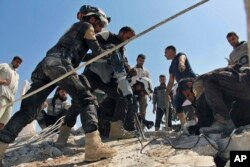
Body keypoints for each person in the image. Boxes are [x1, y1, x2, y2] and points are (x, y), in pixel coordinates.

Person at [0, 5, 117, 165]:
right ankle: (93, 147)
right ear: (92, 18)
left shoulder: (74, 33)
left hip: (45, 65)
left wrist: (100, 51)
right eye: (100, 24)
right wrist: (108, 51)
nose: (100, 28)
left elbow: (80, 54)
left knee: (28, 111)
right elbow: (96, 50)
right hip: (60, 63)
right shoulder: (86, 26)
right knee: (86, 98)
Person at [56, 26, 137, 143]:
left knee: (123, 97)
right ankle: (64, 133)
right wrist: (106, 48)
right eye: (127, 37)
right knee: (79, 102)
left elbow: (122, 65)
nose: (128, 40)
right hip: (92, 74)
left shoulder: (122, 51)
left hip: (107, 80)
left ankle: (116, 130)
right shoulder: (108, 35)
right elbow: (92, 42)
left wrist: (129, 69)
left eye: (131, 39)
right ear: (121, 32)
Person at [177, 65, 250, 135]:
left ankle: (225, 122)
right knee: (236, 121)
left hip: (245, 80)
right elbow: (206, 118)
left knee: (209, 79)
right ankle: (227, 122)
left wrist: (194, 128)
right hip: (244, 97)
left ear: (190, 84)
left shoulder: (198, 83)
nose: (190, 100)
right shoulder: (212, 93)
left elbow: (204, 113)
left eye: (188, 95)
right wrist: (194, 128)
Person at [164, 45, 196, 130]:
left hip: (190, 80)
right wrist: (166, 94)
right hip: (181, 84)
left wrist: (181, 63)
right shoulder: (171, 67)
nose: (164, 55)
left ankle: (194, 121)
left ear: (171, 51)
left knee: (192, 101)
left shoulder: (180, 55)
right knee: (177, 102)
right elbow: (171, 82)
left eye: (165, 52)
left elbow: (183, 58)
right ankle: (184, 125)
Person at [0, 56, 22, 130]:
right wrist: (2, 81)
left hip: (11, 99)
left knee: (4, 120)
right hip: (2, 94)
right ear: (13, 60)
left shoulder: (17, 74)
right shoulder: (5, 66)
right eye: (17, 62)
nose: (18, 64)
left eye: (19, 63)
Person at [131, 54, 151, 121]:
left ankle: (142, 127)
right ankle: (133, 127)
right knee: (133, 110)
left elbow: (148, 83)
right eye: (140, 60)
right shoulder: (131, 70)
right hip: (133, 92)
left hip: (143, 93)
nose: (141, 62)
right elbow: (129, 82)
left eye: (142, 61)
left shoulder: (146, 72)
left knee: (143, 111)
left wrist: (149, 93)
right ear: (136, 60)